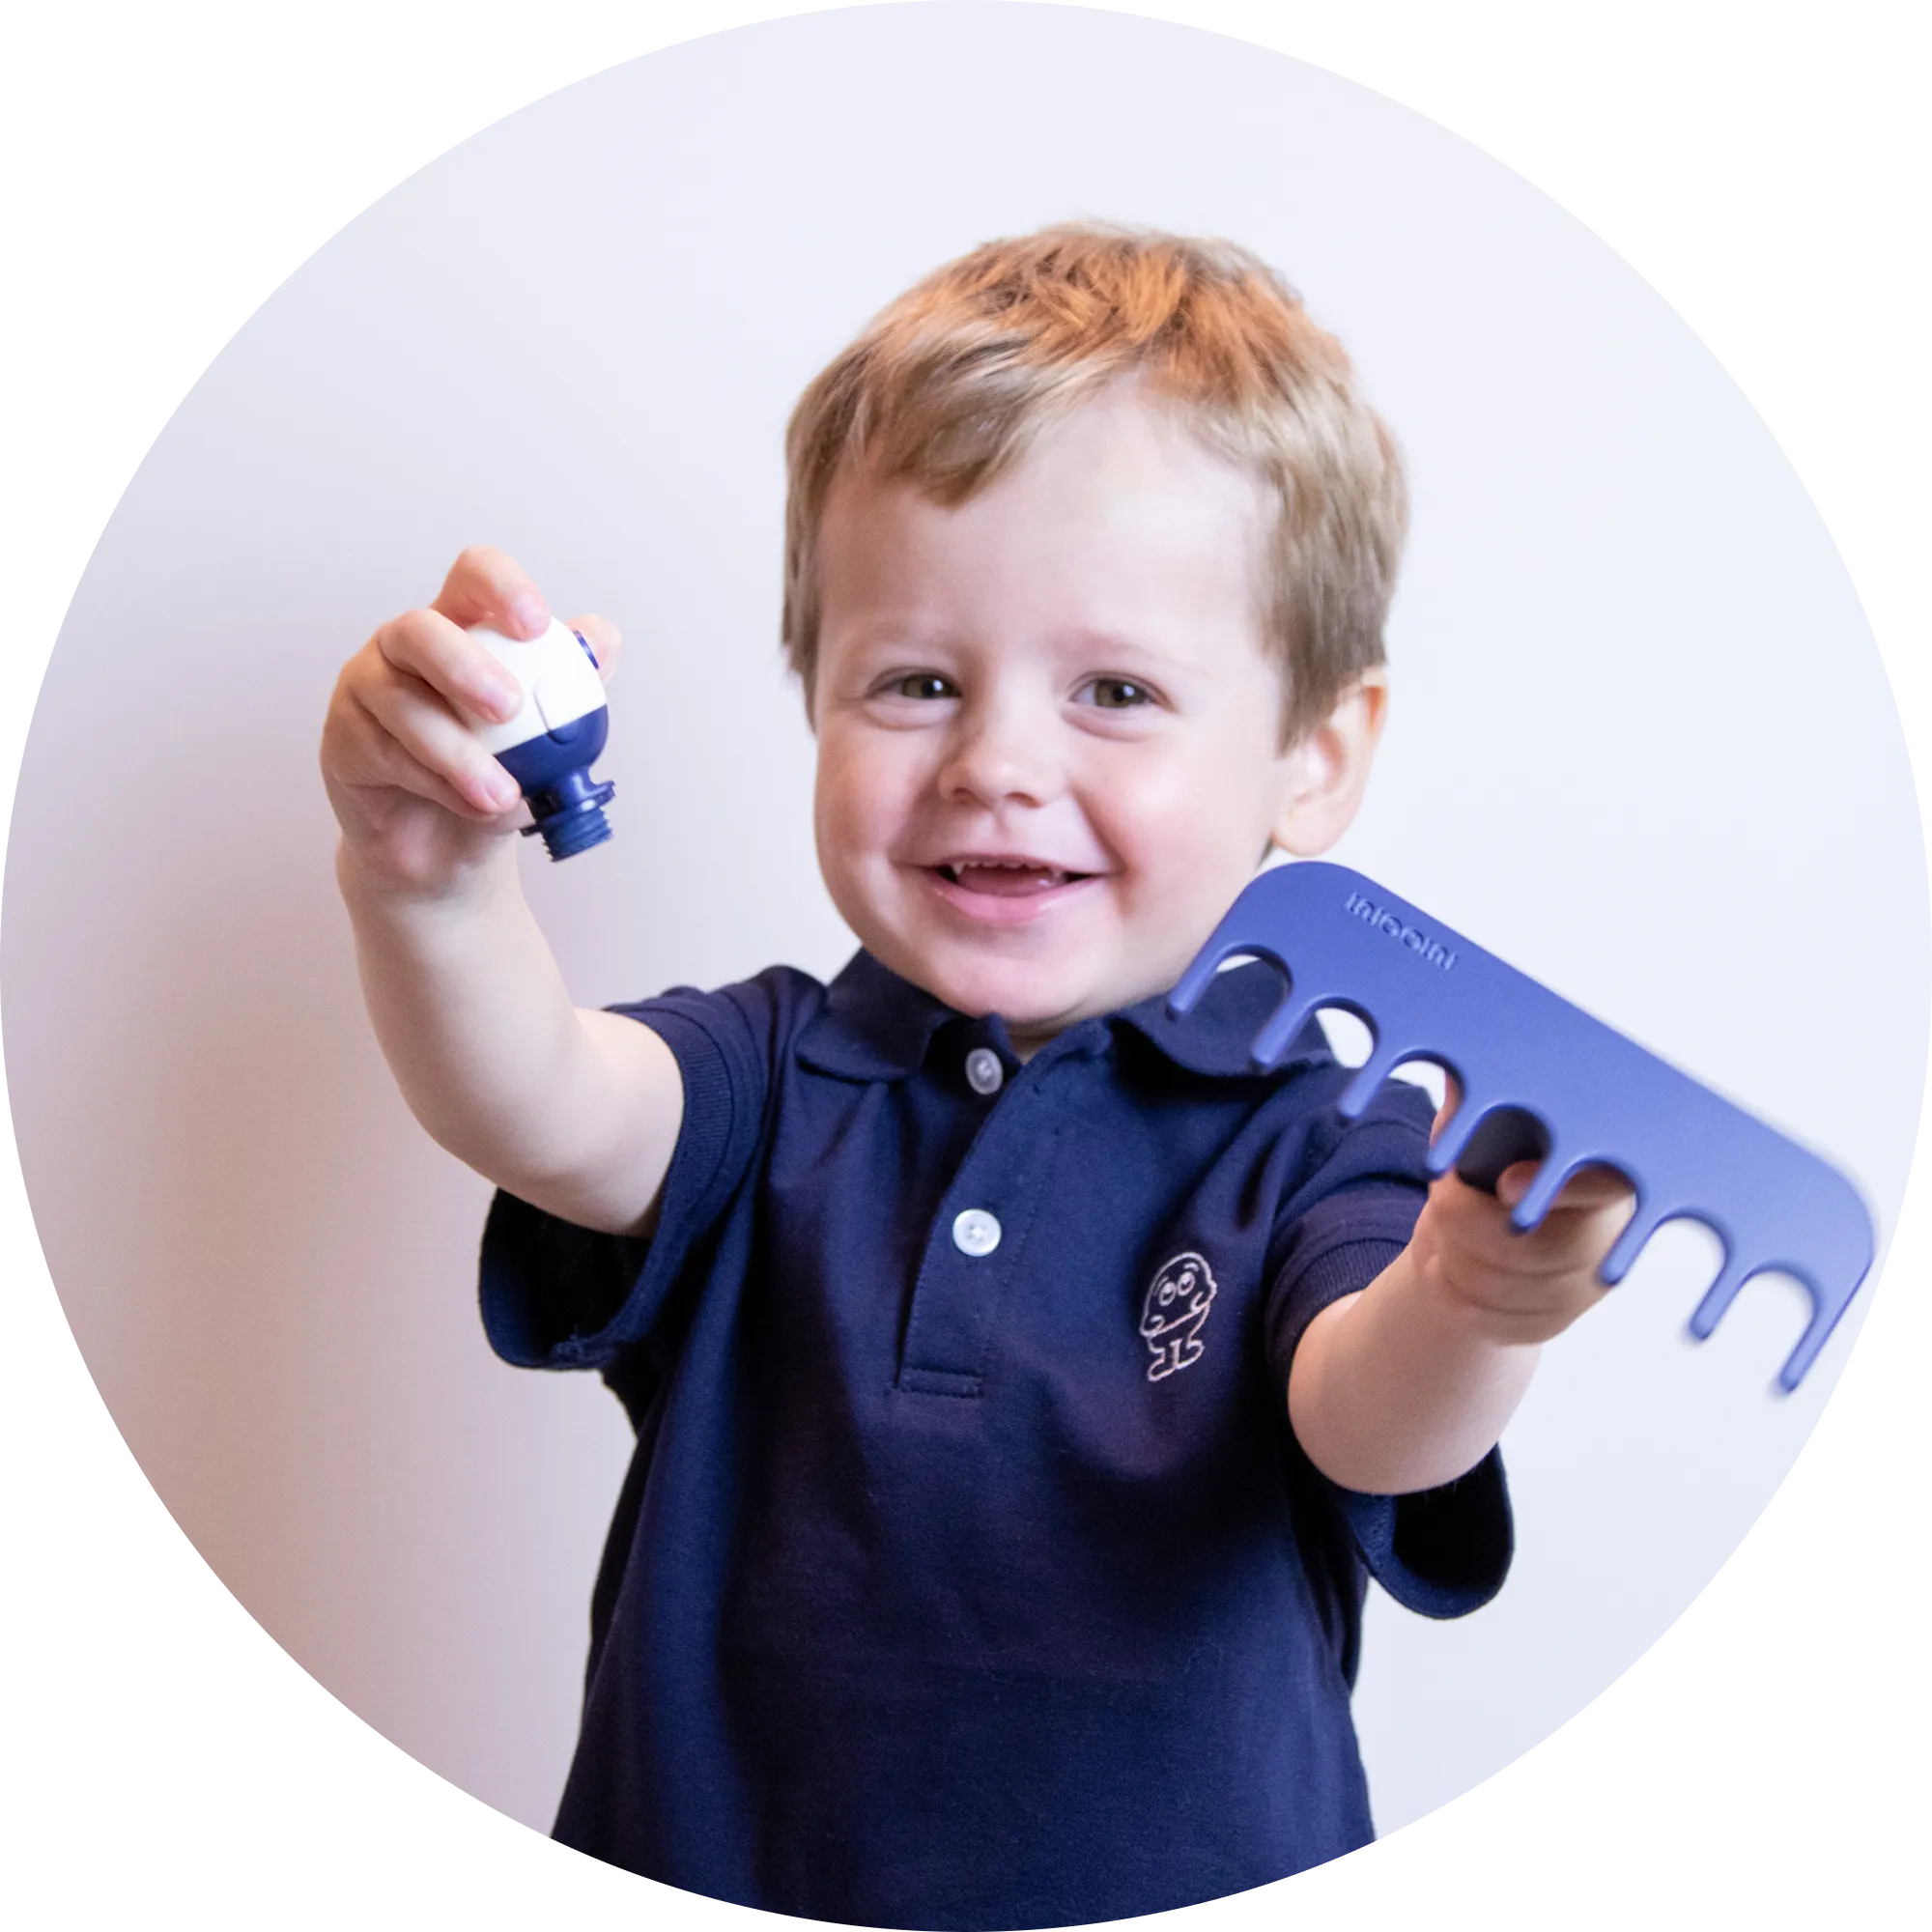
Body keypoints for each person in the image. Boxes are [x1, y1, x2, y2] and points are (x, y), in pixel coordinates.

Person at [321, 225, 1634, 1929]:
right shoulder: (773, 1069)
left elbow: (1367, 1414)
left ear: (1312, 759)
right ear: (816, 700)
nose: (999, 764)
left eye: (1115, 691)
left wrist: (1474, 1295)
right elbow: (549, 1106)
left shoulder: (1320, 1142)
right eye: (918, 681)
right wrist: (422, 885)